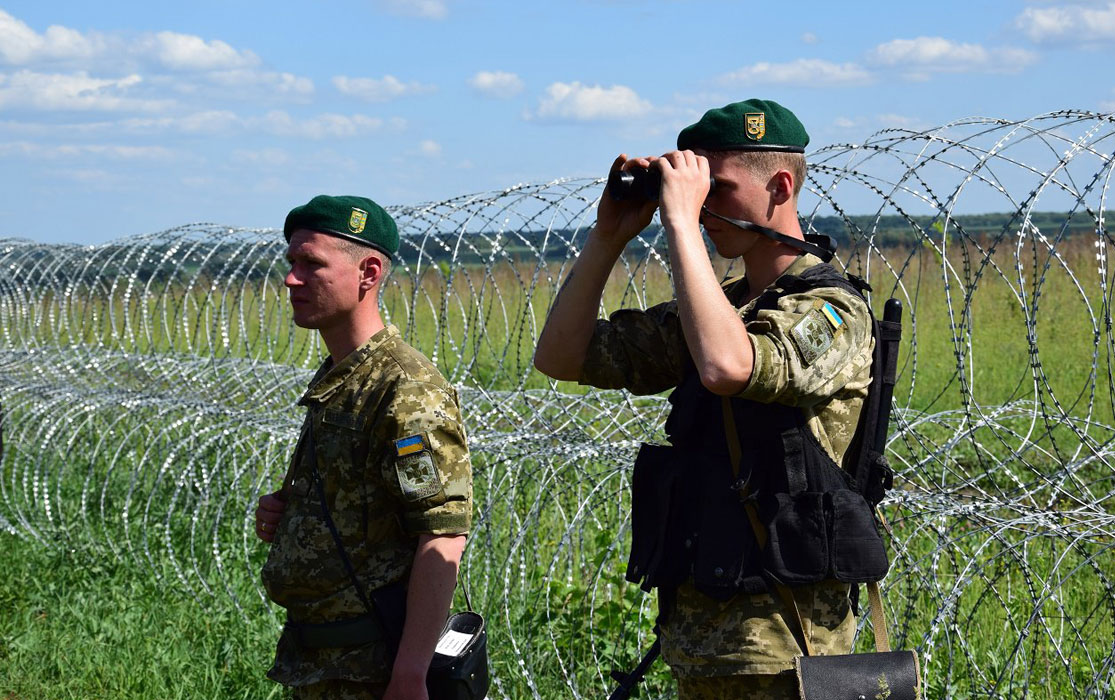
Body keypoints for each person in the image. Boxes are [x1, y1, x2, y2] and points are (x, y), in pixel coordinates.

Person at [534, 99, 878, 698]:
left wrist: (678, 227)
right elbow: (562, 355)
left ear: (780, 185)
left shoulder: (833, 309)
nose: (701, 207)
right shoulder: (721, 310)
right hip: (700, 641)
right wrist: (608, 236)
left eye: (716, 188)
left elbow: (728, 365)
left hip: (786, 651)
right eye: (695, 192)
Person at [255, 194, 473, 700]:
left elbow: (441, 535)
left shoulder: (403, 388)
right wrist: (290, 518)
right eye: (291, 263)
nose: (291, 279)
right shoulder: (342, 375)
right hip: (320, 663)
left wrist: (410, 674)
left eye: (311, 264)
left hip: (371, 672)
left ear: (368, 273)